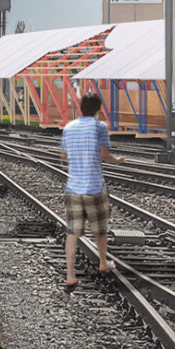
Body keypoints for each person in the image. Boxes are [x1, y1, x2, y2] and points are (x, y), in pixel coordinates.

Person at [61, 91, 122, 291]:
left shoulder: (69, 127)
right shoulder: (100, 127)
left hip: (73, 188)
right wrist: (118, 160)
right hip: (94, 187)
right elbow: (104, 155)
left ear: (81, 107)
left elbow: (64, 156)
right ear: (98, 109)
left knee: (73, 232)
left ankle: (70, 275)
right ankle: (103, 263)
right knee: (100, 230)